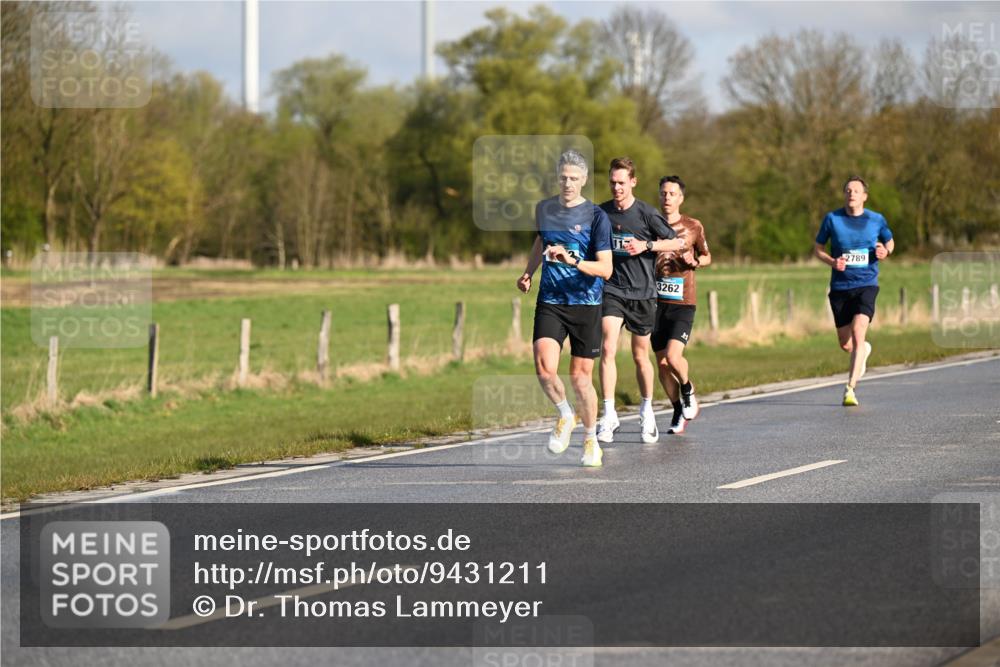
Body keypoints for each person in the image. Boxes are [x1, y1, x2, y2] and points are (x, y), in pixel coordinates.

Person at [517, 149, 613, 467]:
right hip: (551, 300)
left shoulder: (597, 217)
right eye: (563, 177)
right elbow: (539, 243)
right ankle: (565, 414)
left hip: (586, 304)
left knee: (580, 379)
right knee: (544, 370)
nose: (568, 183)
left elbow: (606, 270)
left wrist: (573, 260)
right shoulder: (545, 209)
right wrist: (529, 272)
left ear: (584, 180)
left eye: (574, 178)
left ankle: (590, 440)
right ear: (557, 178)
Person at [596, 158, 684, 445]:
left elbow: (676, 242)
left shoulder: (646, 213)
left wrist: (647, 245)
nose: (617, 187)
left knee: (639, 355)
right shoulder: (601, 213)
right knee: (608, 346)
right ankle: (608, 414)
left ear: (633, 182)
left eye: (622, 182)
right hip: (613, 289)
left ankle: (647, 411)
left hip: (644, 293)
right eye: (613, 182)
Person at [814, 176, 894, 407]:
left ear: (864, 196)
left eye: (856, 191)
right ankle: (863, 351)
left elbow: (890, 242)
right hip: (840, 287)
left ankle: (850, 388)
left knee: (859, 332)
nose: (852, 194)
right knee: (846, 344)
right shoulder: (832, 219)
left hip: (867, 284)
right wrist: (832, 261)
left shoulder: (876, 220)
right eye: (848, 190)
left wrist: (885, 251)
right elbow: (818, 248)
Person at [651, 175, 711, 435]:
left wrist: (695, 262)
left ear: (681, 198)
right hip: (654, 303)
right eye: (663, 193)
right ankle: (677, 408)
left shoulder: (693, 226)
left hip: (683, 302)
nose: (667, 198)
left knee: (674, 358)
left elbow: (707, 256)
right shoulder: (649, 224)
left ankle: (687, 389)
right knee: (662, 365)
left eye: (672, 193)